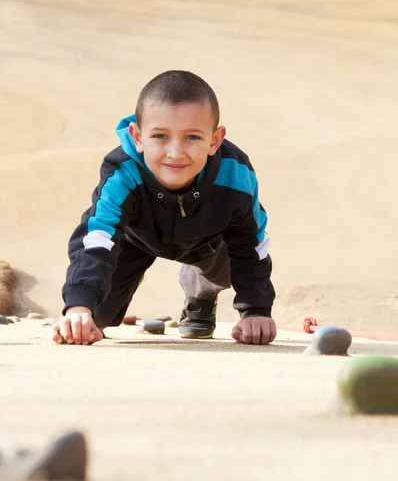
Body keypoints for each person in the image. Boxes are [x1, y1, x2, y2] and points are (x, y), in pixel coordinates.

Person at [52, 71, 276, 346]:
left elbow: (250, 241)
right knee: (96, 316)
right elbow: (97, 236)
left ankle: (201, 292)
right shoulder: (123, 172)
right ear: (137, 136)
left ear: (215, 140)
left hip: (208, 242)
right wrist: (78, 306)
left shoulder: (235, 174)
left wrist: (256, 310)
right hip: (135, 239)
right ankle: (120, 286)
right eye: (159, 135)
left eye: (192, 137)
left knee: (227, 266)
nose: (175, 152)